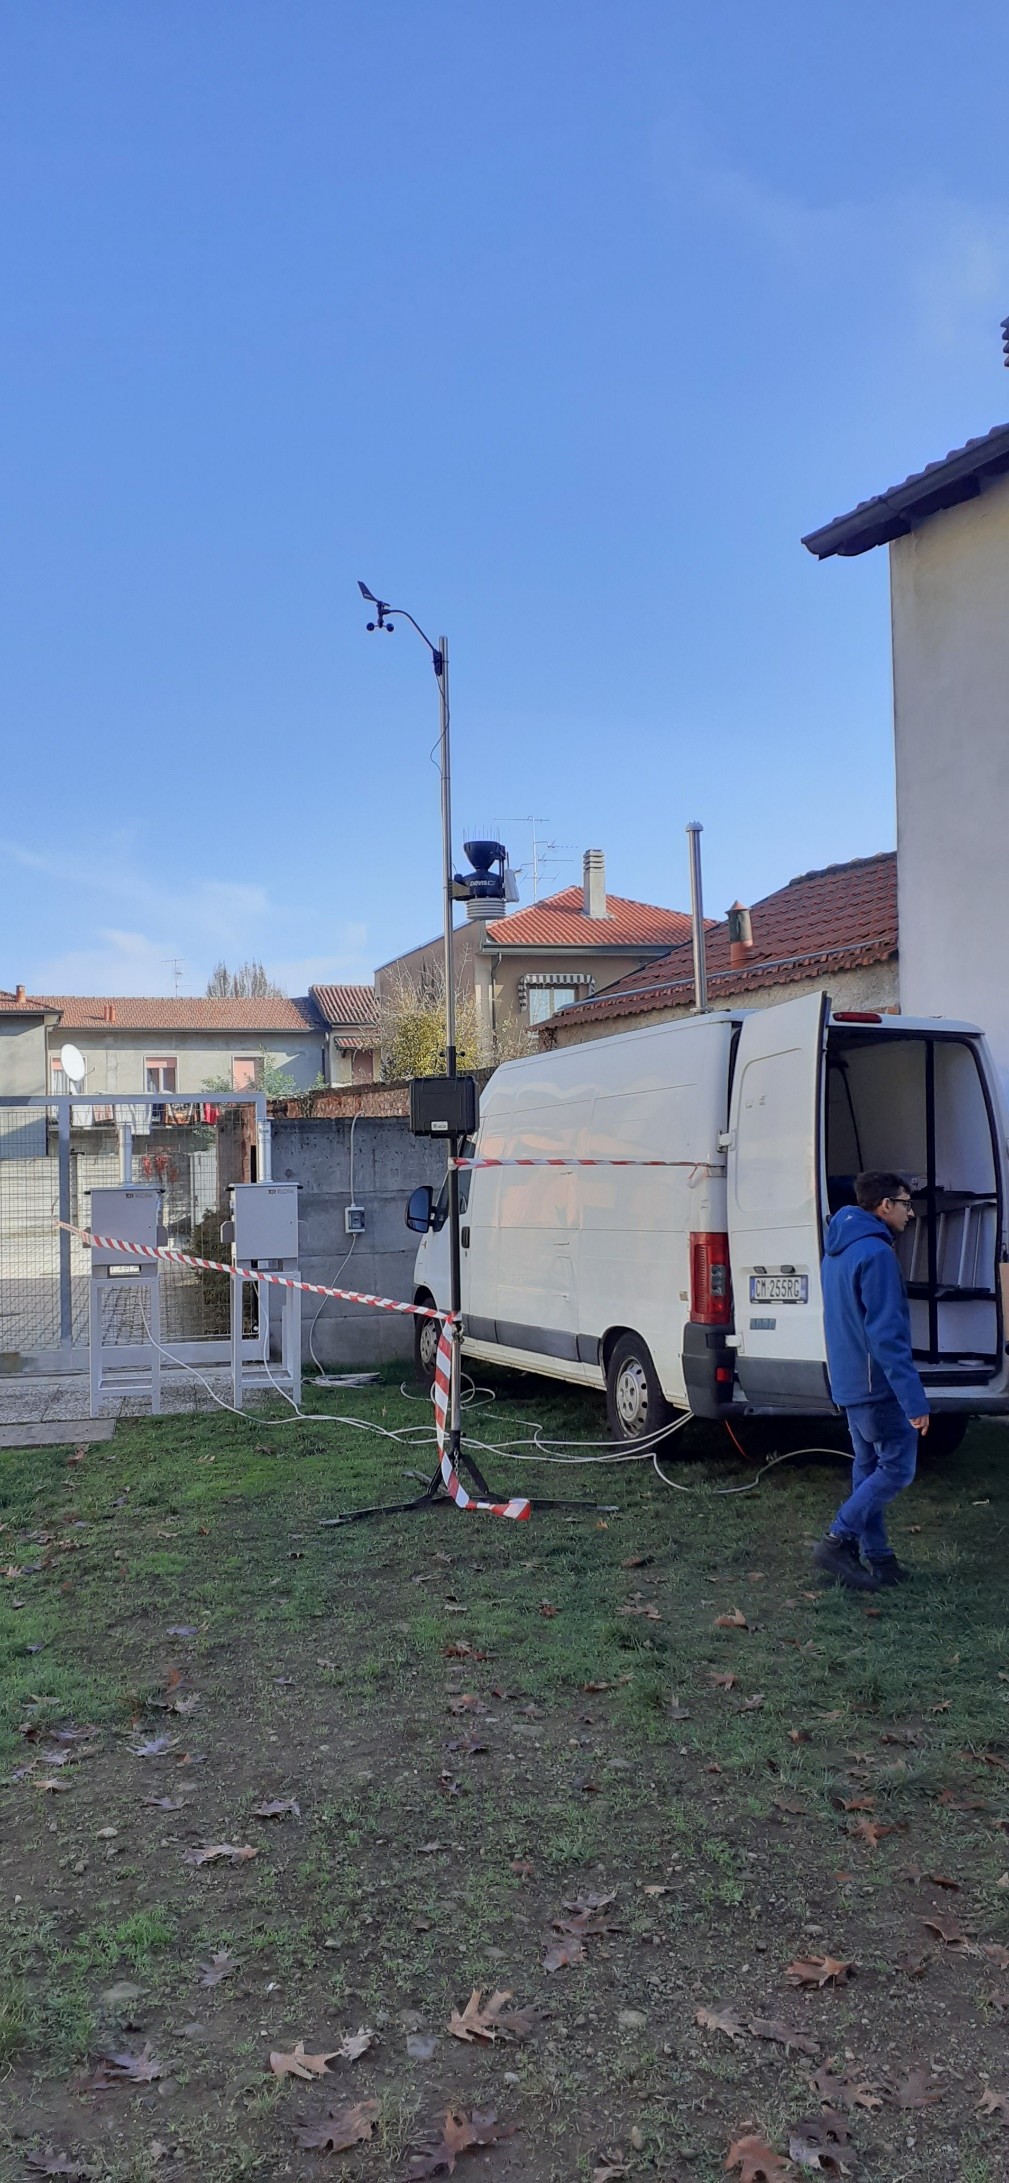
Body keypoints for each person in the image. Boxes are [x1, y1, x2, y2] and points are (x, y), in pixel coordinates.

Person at [814, 1172, 930, 1591]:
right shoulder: (876, 1255)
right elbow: (887, 1335)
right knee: (897, 1468)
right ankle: (837, 1539)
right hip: (876, 1385)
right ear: (884, 1206)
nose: (910, 1212)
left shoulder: (836, 1251)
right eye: (905, 1203)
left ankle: (881, 1560)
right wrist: (915, 1401)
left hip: (849, 1381)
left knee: (867, 1471)